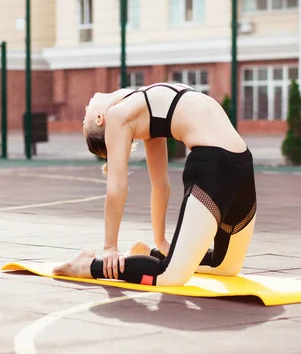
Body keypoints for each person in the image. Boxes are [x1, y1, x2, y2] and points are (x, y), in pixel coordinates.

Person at [52, 82, 257, 286]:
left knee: (225, 267)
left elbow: (161, 185)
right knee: (170, 276)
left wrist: (160, 242)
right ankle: (87, 266)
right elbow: (117, 187)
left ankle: (148, 253)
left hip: (243, 165)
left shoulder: (146, 106)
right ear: (99, 119)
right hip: (214, 167)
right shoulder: (117, 115)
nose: (84, 110)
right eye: (83, 120)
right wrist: (110, 248)